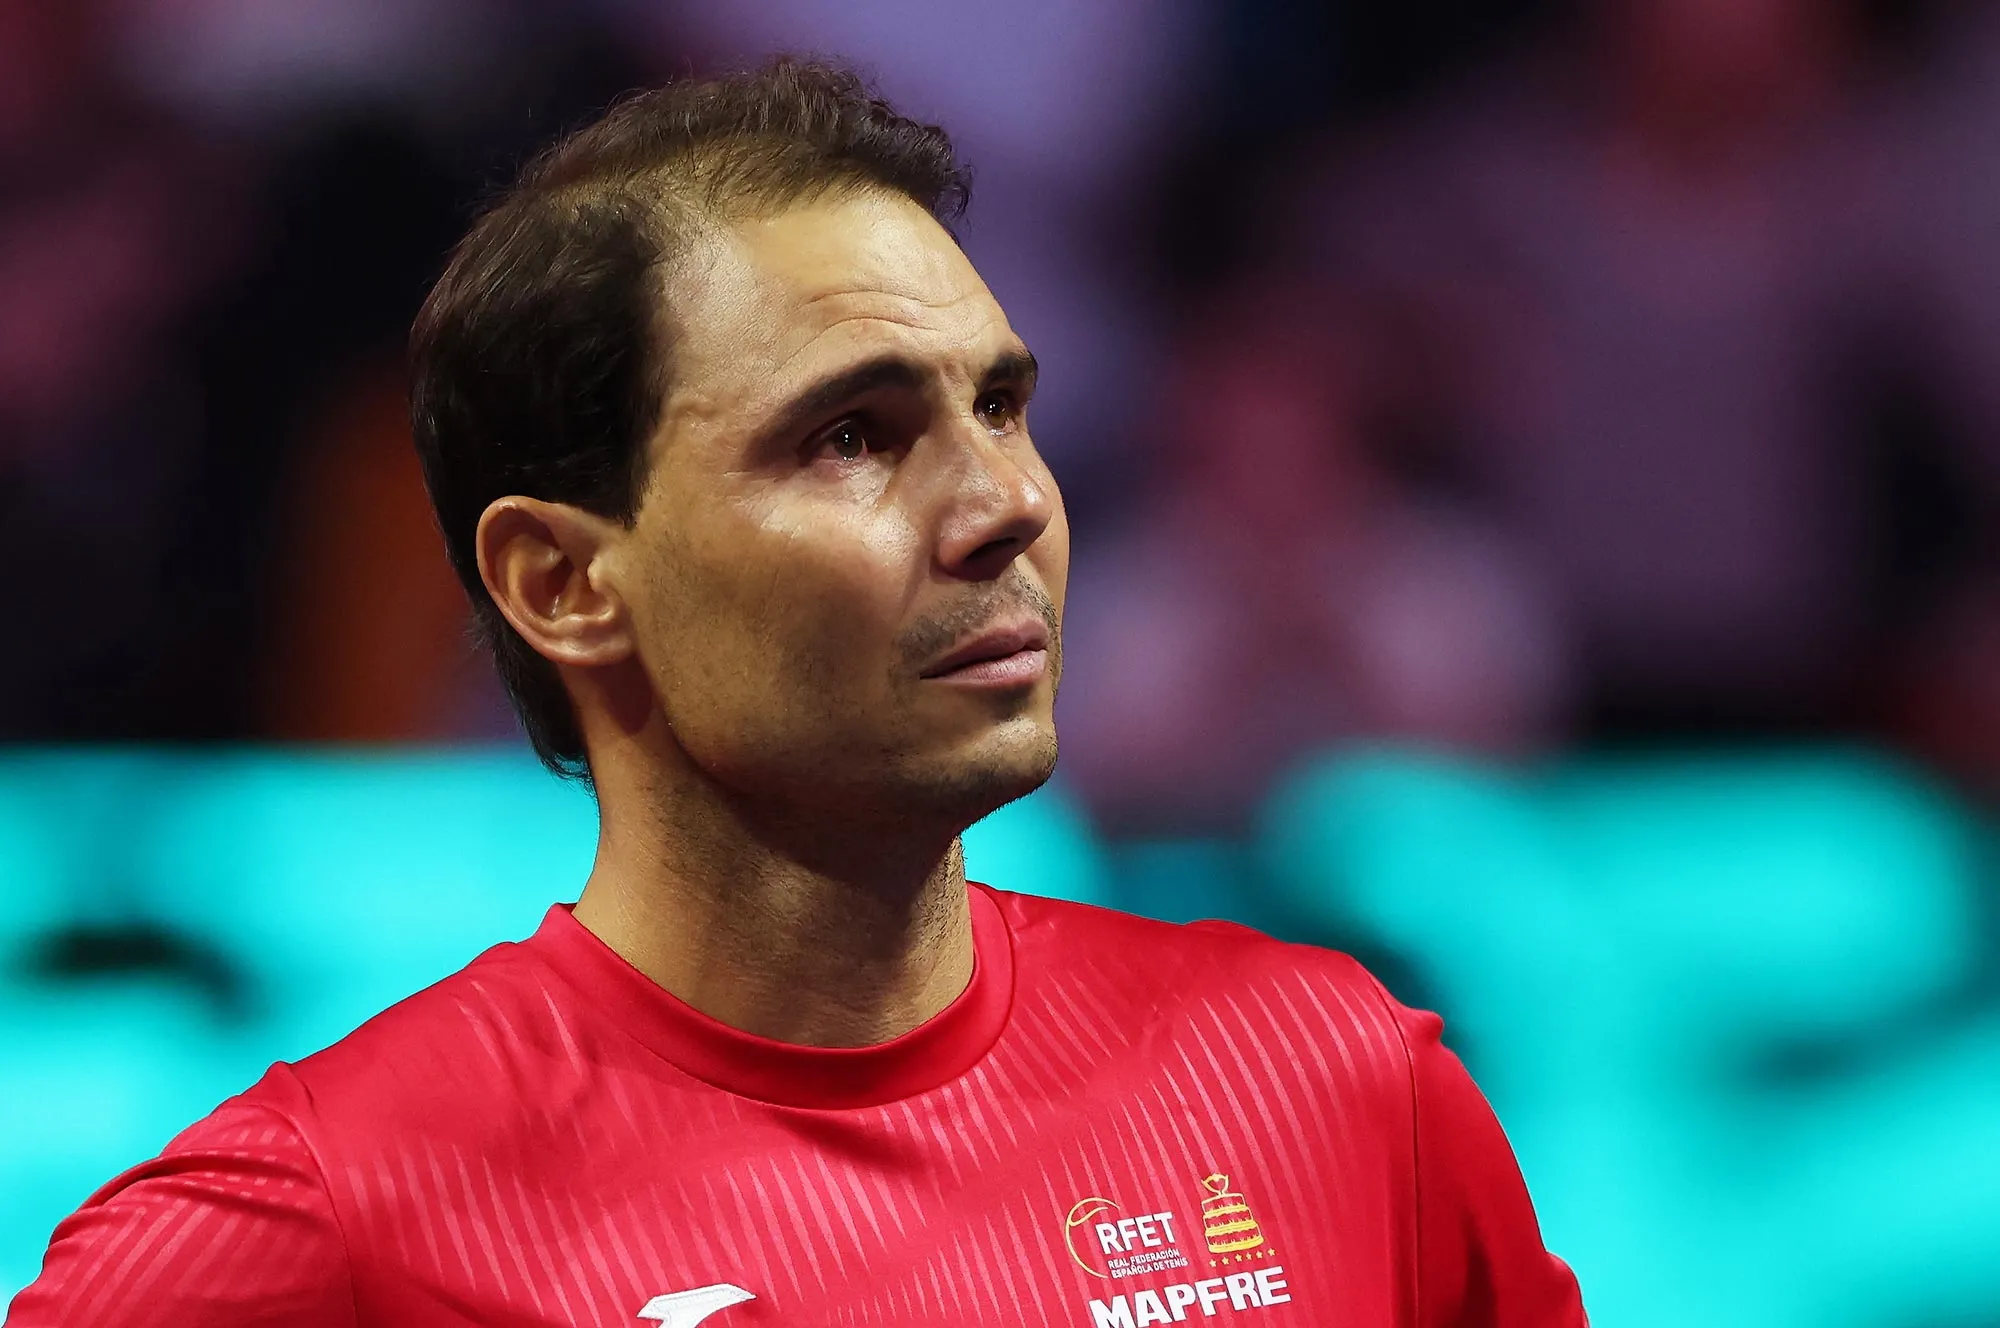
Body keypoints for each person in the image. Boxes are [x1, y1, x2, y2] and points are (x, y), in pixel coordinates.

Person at [7, 61, 1586, 1327]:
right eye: (851, 435)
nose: (1007, 505)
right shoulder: (311, 1223)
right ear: (564, 582)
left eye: (1001, 403)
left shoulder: (1334, 1084)